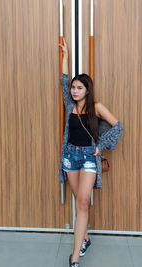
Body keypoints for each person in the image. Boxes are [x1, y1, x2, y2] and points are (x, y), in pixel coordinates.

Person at [58, 37, 123, 267]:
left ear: (87, 90)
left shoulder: (96, 107)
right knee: (79, 200)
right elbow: (64, 81)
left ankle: (74, 256)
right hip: (70, 157)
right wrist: (65, 57)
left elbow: (118, 126)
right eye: (74, 88)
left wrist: (100, 146)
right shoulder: (69, 105)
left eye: (79, 88)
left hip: (88, 158)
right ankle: (85, 237)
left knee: (83, 202)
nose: (74, 91)